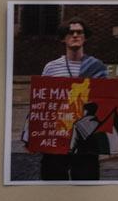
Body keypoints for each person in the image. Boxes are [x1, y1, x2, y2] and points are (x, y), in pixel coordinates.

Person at [28, 21, 113, 181]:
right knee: (53, 181)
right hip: (57, 134)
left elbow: (104, 103)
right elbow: (42, 102)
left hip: (86, 137)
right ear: (63, 39)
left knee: (86, 182)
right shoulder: (51, 67)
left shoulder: (97, 67)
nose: (75, 35)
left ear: (85, 37)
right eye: (70, 32)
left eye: (79, 32)